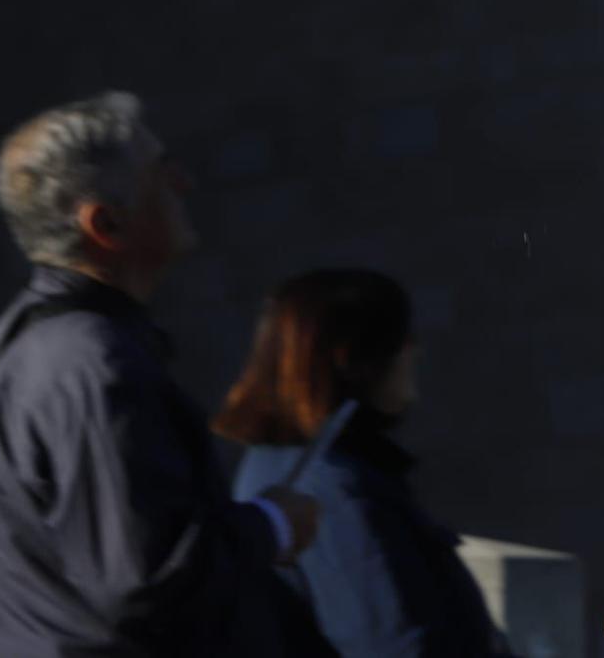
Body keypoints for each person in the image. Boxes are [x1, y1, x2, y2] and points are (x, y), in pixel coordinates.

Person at [0, 91, 324, 656]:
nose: (184, 183)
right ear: (106, 224)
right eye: (162, 172)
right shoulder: (93, 364)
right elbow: (147, 581)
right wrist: (274, 524)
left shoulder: (16, 349)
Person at [216, 268, 510, 657]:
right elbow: (393, 642)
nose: (416, 351)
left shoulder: (294, 469)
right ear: (357, 359)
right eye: (405, 338)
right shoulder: (328, 488)